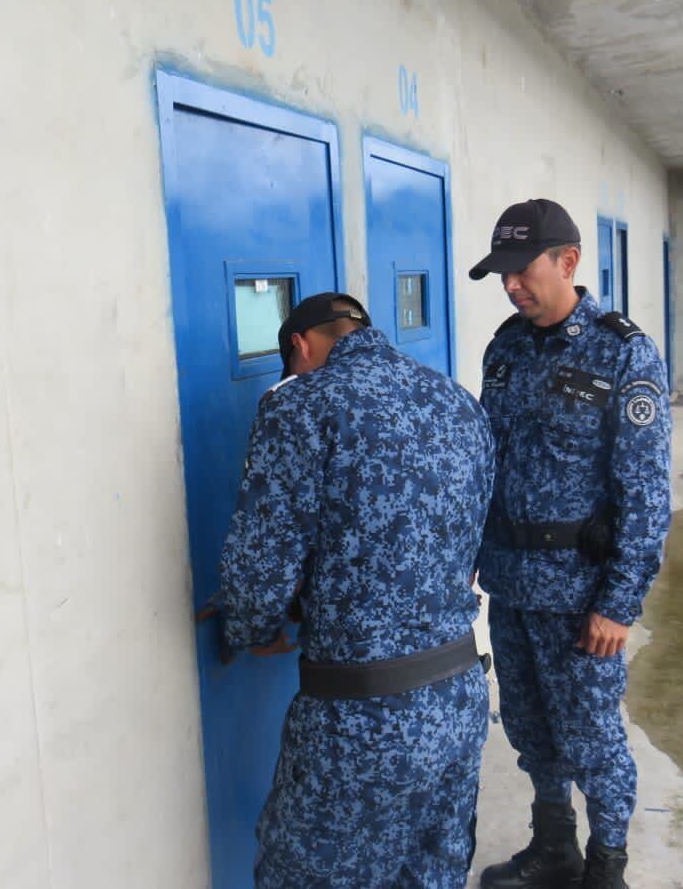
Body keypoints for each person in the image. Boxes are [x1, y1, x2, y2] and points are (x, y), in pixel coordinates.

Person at [207, 292, 495, 888]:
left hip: (359, 717)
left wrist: (250, 629)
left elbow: (260, 566)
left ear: (299, 347)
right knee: (431, 874)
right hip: (459, 696)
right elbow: (474, 540)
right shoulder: (458, 401)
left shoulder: (300, 405)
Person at [468, 200, 672, 889]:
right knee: (530, 729)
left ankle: (606, 869)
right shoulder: (505, 347)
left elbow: (645, 495)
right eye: (502, 275)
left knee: (593, 740)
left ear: (569, 261)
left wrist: (619, 603)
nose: (511, 286)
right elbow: (487, 463)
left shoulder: (623, 353)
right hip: (511, 583)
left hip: (581, 596)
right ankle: (554, 846)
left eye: (521, 271)